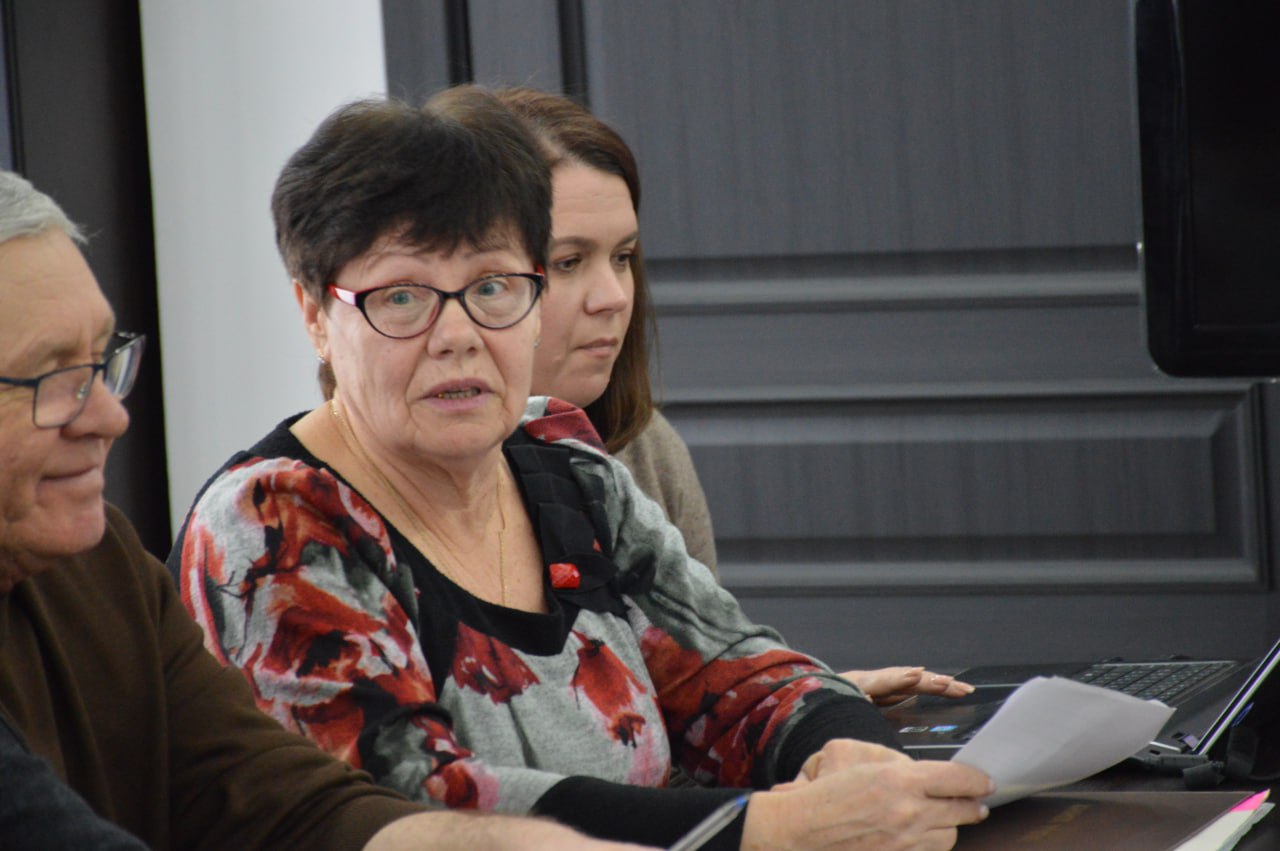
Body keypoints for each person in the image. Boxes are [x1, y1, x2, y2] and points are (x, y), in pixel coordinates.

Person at [170, 88, 993, 850]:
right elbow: (418, 799)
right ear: (315, 313)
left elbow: (737, 669)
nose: (458, 335)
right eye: (403, 298)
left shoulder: (564, 465)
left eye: (494, 286)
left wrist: (852, 753)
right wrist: (768, 826)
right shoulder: (273, 521)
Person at [0, 169, 646, 851]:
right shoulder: (269, 517)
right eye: (52, 378)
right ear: (315, 316)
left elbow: (280, 801)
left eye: (100, 363)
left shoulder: (101, 566)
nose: (109, 416)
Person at [494, 86, 972, 709]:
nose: (613, 296)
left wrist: (808, 705)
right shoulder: (408, 487)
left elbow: (703, 696)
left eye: (624, 257)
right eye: (567, 262)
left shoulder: (644, 448)